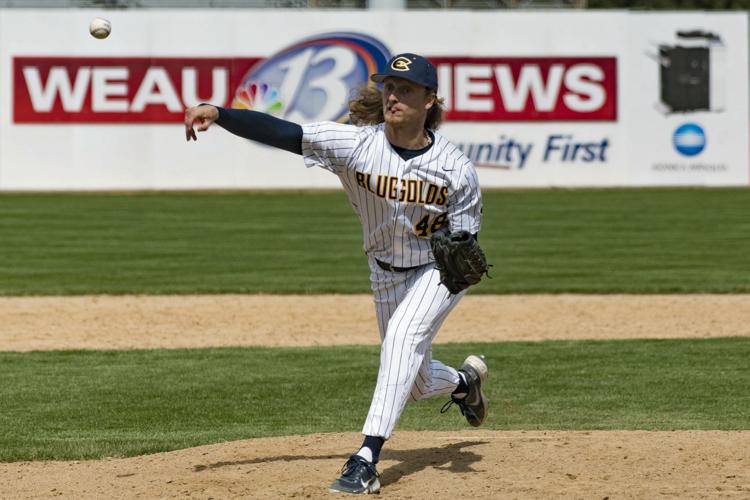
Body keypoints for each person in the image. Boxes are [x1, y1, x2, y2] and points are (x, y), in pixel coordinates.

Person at [184, 52, 489, 495]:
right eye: (390, 86)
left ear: (429, 100)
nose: (393, 95)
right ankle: (463, 383)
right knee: (417, 382)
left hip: (434, 271)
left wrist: (461, 259)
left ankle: (366, 457)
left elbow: (466, 245)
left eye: (405, 89)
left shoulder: (456, 168)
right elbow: (285, 133)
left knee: (403, 338)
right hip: (384, 273)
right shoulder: (356, 145)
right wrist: (220, 113)